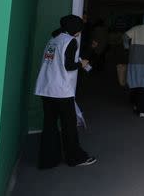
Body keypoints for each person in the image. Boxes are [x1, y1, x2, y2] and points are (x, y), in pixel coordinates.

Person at [34, 14, 97, 168]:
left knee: (49, 126)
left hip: (45, 88)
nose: (80, 31)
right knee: (69, 126)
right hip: (61, 91)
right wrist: (81, 64)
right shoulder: (70, 41)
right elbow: (69, 66)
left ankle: (48, 160)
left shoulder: (53, 40)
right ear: (74, 28)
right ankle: (74, 158)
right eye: (79, 28)